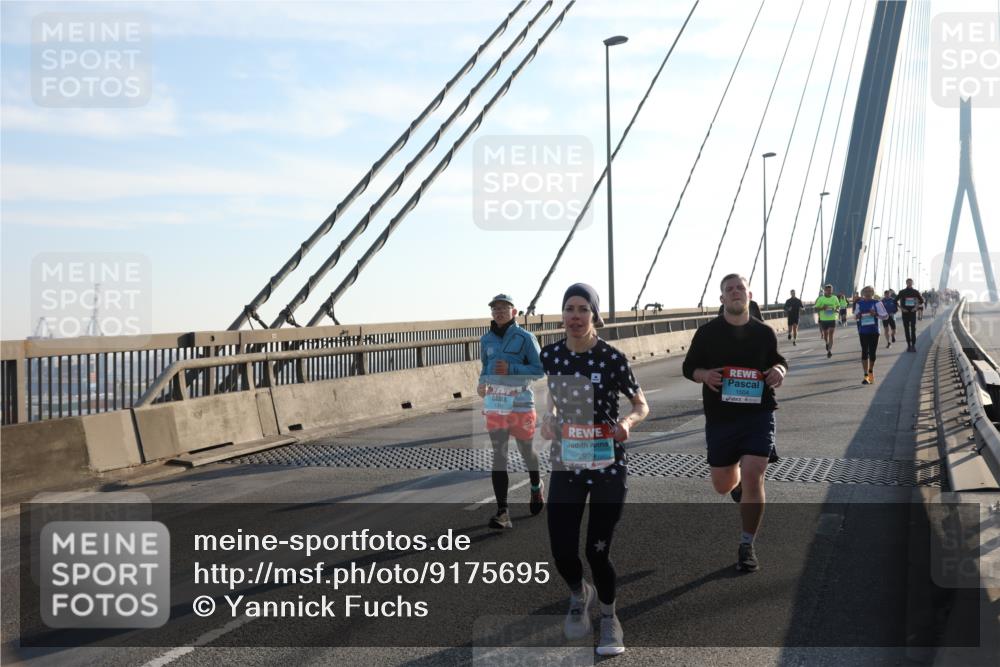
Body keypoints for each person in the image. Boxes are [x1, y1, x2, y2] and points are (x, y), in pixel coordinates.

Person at [540, 283, 648, 656]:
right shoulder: (551, 355)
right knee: (562, 550)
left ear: (594, 315)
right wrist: (549, 417)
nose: (575, 316)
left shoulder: (612, 358)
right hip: (567, 461)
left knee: (596, 552)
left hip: (607, 463)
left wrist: (628, 423)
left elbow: (641, 404)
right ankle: (578, 592)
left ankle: (608, 618)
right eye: (569, 308)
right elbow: (553, 396)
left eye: (582, 309)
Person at [683, 273, 787, 573]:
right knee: (722, 485)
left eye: (740, 287)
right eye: (729, 289)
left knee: (755, 475)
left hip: (758, 415)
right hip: (721, 418)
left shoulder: (764, 332)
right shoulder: (707, 333)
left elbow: (779, 360)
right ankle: (737, 485)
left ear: (749, 295)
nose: (735, 292)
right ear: (722, 298)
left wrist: (780, 370)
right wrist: (704, 375)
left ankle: (746, 544)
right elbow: (689, 367)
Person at [478, 294, 545, 529]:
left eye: (504, 308)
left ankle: (536, 486)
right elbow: (485, 367)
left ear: (514, 312)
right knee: (499, 455)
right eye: (495, 309)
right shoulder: (486, 339)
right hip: (496, 403)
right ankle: (503, 512)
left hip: (521, 403)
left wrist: (511, 369)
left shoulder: (525, 338)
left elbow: (539, 370)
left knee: (526, 451)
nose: (499, 312)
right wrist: (481, 383)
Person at [854, 286, 889, 384]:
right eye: (866, 291)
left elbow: (886, 316)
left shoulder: (877, 303)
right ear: (863, 293)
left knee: (872, 353)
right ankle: (865, 375)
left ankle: (870, 372)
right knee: (864, 352)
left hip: (874, 331)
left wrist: (876, 314)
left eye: (870, 291)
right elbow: (856, 317)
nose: (868, 293)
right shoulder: (859, 304)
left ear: (873, 293)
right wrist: (858, 316)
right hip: (863, 331)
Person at [896, 278, 924, 352]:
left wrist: (916, 307)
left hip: (912, 313)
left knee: (913, 329)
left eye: (910, 282)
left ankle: (913, 346)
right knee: (906, 330)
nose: (909, 284)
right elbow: (895, 301)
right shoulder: (902, 292)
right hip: (905, 313)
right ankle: (908, 346)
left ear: (912, 283)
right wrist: (901, 308)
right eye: (908, 282)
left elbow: (922, 301)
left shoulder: (915, 292)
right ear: (906, 283)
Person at [815, 284, 840, 358]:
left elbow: (838, 306)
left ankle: (829, 351)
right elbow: (816, 308)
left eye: (830, 290)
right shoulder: (821, 299)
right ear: (825, 291)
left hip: (832, 319)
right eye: (827, 290)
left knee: (831, 334)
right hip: (824, 320)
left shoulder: (834, 298)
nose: (829, 292)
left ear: (832, 291)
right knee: (826, 335)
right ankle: (827, 343)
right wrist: (822, 308)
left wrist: (837, 310)